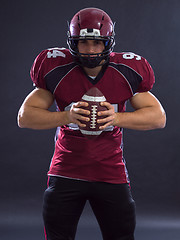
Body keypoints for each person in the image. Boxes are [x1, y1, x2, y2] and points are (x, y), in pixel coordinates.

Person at [17, 7, 166, 240]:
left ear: (108, 43)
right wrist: (66, 116)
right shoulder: (58, 68)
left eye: (97, 43)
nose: (90, 50)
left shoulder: (126, 71)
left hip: (111, 172)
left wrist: (117, 118)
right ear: (72, 43)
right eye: (83, 43)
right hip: (65, 171)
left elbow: (158, 117)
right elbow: (24, 117)